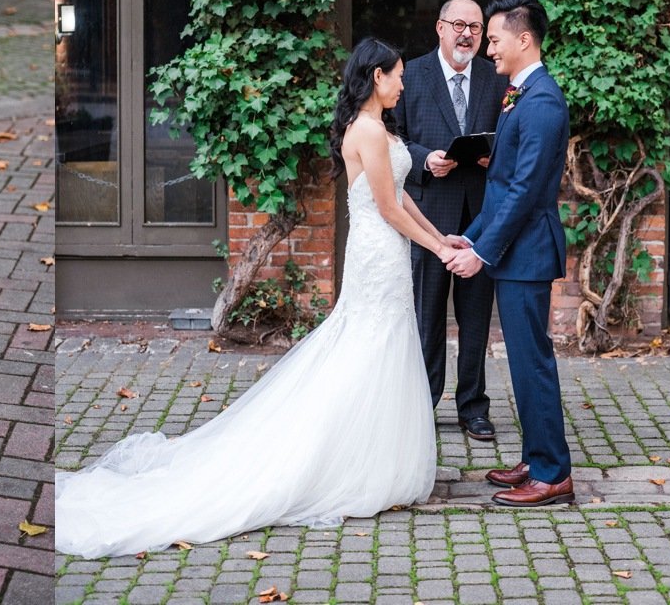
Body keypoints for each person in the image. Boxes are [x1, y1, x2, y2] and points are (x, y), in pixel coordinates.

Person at [55, 38, 458, 559]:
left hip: (386, 250)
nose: (404, 84)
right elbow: (386, 207)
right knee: (370, 347)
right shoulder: (369, 131)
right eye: (398, 75)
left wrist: (441, 236)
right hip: (379, 253)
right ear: (376, 77)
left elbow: (402, 196)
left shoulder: (379, 130)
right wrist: (439, 250)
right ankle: (348, 463)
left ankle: (373, 458)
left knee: (379, 345)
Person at [446, 0, 575, 507]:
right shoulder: (520, 92)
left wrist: (482, 252)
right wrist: (471, 235)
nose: (487, 49)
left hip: (526, 254)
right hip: (512, 250)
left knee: (532, 362)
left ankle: (553, 474)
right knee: (522, 362)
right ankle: (535, 456)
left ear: (524, 39)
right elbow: (502, 187)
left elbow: (525, 192)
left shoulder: (542, 101)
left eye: (493, 39)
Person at [393, 0, 502, 442]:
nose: (467, 35)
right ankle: (424, 401)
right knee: (427, 315)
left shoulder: (497, 80)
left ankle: (473, 407)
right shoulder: (412, 75)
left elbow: (509, 137)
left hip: (479, 218)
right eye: (459, 25)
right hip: (430, 216)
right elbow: (393, 137)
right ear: (439, 27)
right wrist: (424, 159)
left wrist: (490, 152)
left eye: (475, 28)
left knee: (476, 320)